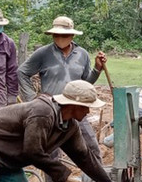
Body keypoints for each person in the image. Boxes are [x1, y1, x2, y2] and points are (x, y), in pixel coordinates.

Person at [19, 16, 106, 165]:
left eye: (64, 35)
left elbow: (85, 84)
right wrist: (32, 98)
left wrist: (97, 69)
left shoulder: (82, 54)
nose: (60, 38)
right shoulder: (43, 53)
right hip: (52, 109)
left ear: (72, 35)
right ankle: (54, 181)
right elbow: (22, 72)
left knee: (91, 147)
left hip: (76, 108)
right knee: (51, 155)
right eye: (56, 35)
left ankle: (97, 178)